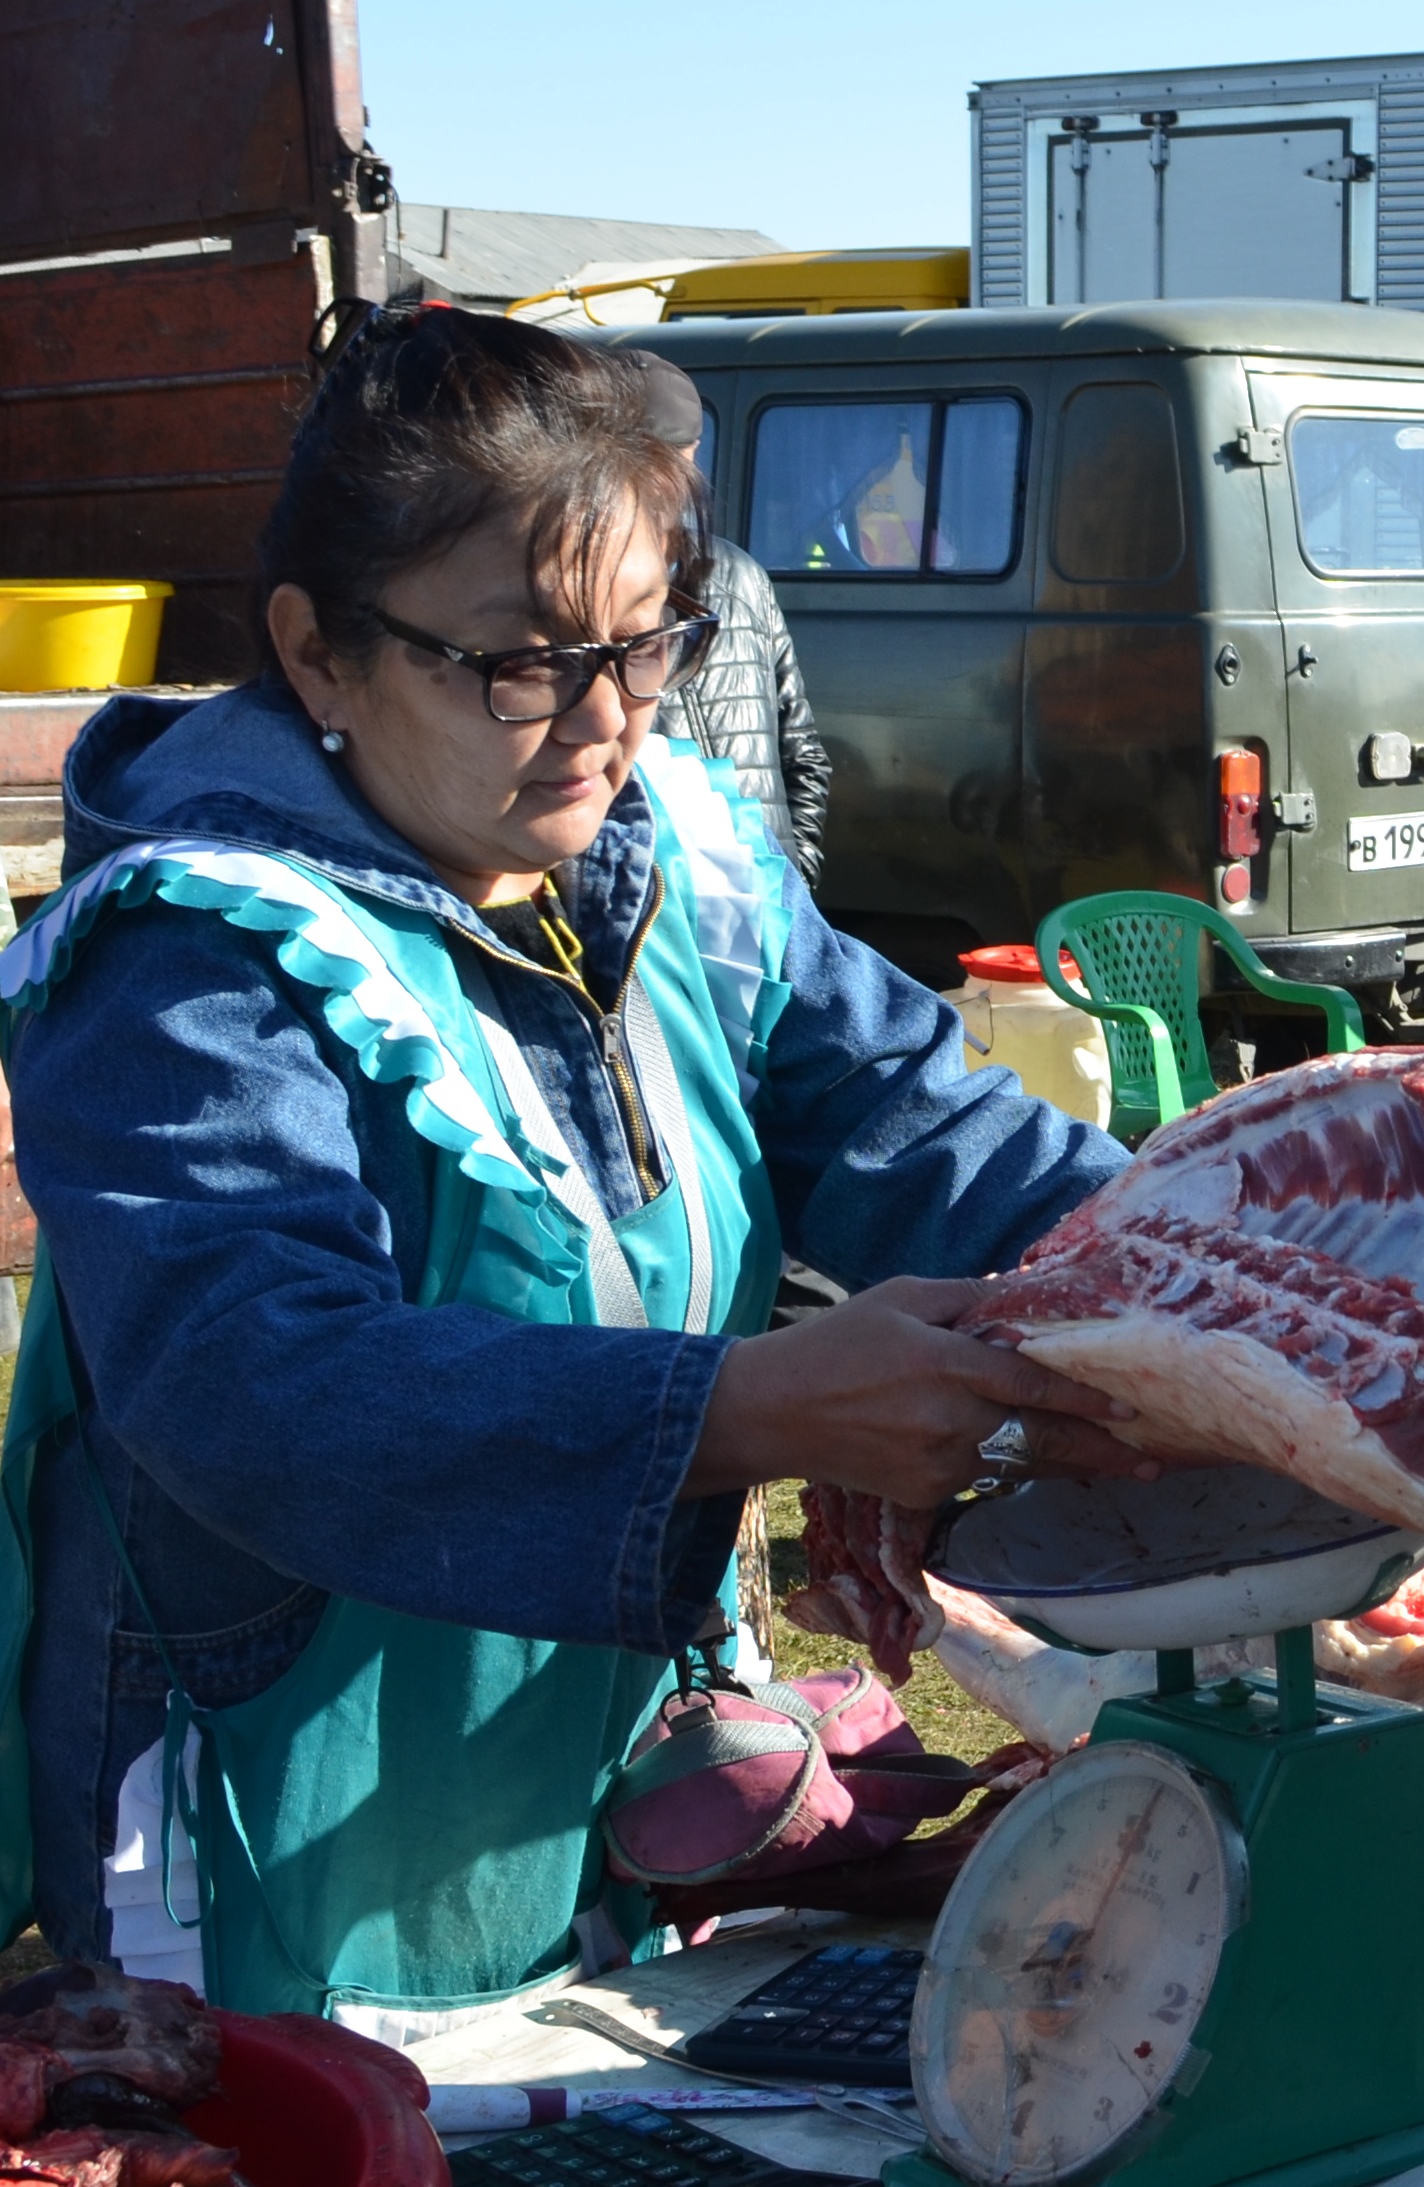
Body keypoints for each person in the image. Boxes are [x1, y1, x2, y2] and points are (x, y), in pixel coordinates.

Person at [0, 306, 1149, 2025]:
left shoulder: (670, 856)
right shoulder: (191, 954)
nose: (604, 722)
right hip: (273, 1786)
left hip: (589, 1743)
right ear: (318, 655)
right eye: (519, 664)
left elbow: (925, 1121)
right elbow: (251, 1377)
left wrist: (1219, 1263)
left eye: (644, 644)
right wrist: (743, 1413)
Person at [626, 352, 833, 885]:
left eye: (678, 458)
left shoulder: (741, 575)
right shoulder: (589, 592)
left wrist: (792, 876)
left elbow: (804, 753)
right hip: (672, 907)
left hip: (763, 898)